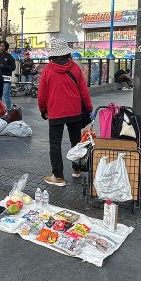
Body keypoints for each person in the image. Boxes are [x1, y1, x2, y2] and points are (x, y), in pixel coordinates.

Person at [38, 38, 93, 187]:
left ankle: (58, 176)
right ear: (67, 53)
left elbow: (41, 94)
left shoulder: (47, 70)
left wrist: (43, 109)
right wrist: (89, 108)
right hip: (75, 112)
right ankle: (76, 169)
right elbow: (84, 91)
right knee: (75, 142)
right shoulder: (75, 68)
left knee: (55, 144)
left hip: (55, 112)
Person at [0, 40, 16, 109]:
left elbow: (13, 67)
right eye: (0, 46)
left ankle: (8, 110)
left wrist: (4, 66)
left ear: (6, 47)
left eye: (3, 46)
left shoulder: (10, 57)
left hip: (7, 79)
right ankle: (0, 110)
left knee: (5, 94)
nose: (1, 47)